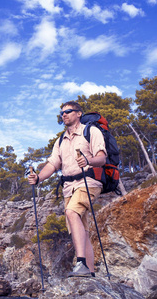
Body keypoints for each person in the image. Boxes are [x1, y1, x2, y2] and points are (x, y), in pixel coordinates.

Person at [28, 101, 107, 277]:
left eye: (68, 111)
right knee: (81, 230)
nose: (64, 115)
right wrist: (38, 178)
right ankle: (90, 274)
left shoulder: (91, 132)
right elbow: (53, 164)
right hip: (69, 188)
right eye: (62, 113)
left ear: (79, 113)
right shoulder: (60, 141)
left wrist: (88, 161)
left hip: (89, 182)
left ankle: (81, 264)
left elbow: (101, 158)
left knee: (72, 213)